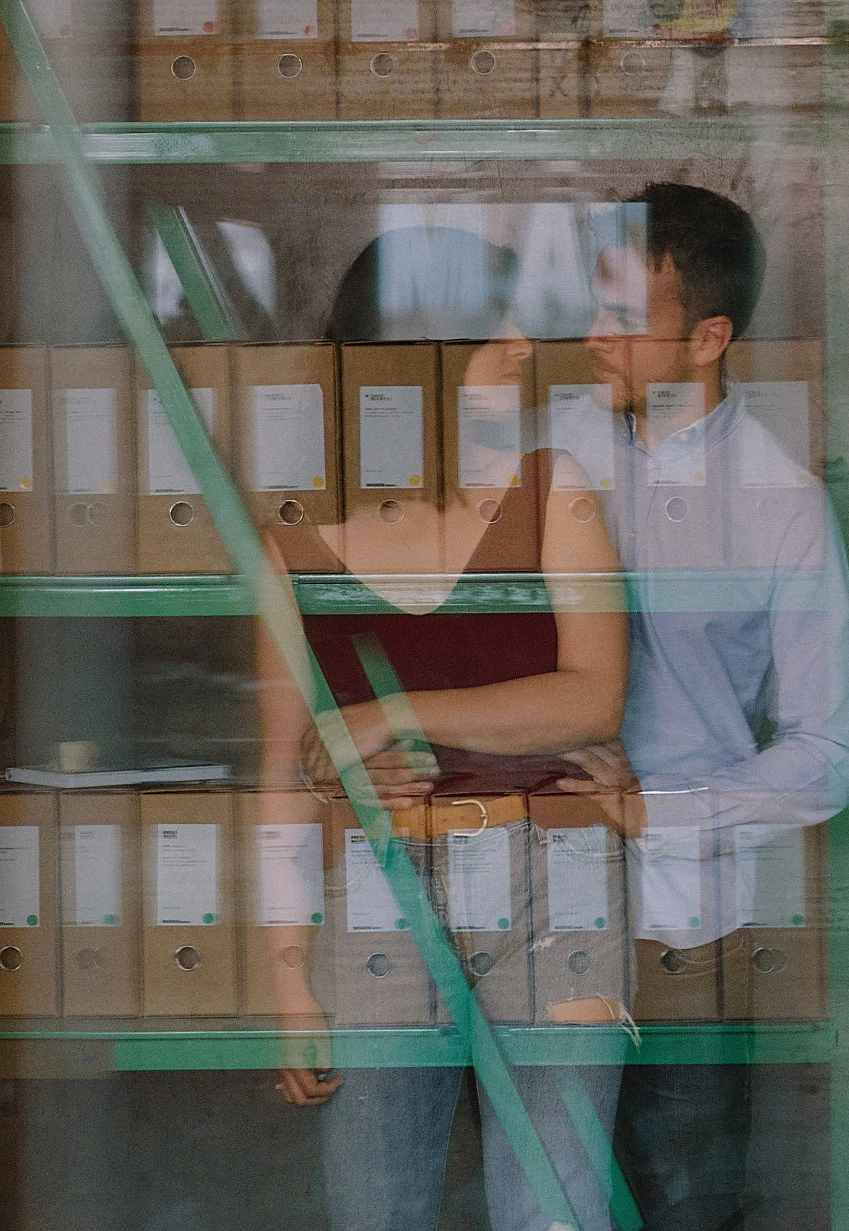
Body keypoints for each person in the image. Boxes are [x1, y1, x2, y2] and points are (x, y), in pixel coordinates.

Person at [259, 227, 634, 1231]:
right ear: (408, 358)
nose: (521, 346)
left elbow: (594, 699)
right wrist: (288, 980)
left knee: (555, 1210)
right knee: (374, 1209)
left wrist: (389, 712)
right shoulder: (295, 538)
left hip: (554, 881)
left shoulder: (553, 487)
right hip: (378, 889)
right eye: (489, 330)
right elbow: (283, 773)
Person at [550, 182, 849, 1231]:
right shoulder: (550, 456)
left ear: (708, 337)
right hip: (529, 909)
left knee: (687, 1207)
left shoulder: (781, 504)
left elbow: (831, 746)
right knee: (538, 1207)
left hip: (682, 924)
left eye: (623, 314)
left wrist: (663, 811)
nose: (593, 335)